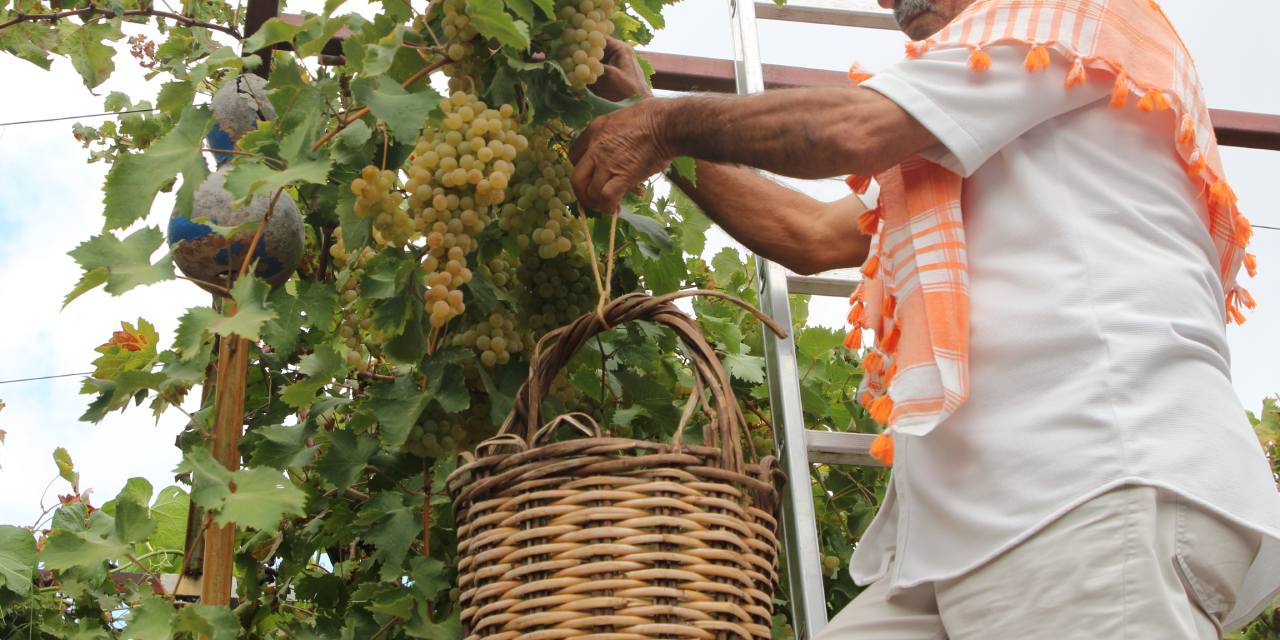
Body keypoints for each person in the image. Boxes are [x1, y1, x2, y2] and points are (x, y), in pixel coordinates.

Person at [572, 0, 1280, 637]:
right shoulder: (977, 134)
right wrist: (647, 109)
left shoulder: (1066, 15)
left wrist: (663, 123)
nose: (886, 0)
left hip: (1095, 482)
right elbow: (809, 234)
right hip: (965, 535)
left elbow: (849, 129)